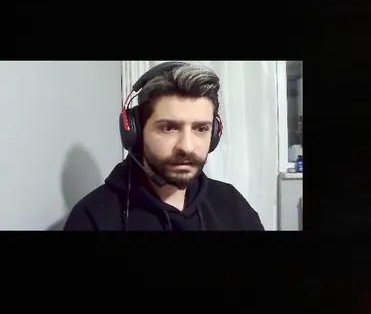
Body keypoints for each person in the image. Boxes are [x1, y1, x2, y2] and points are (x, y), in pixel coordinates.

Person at [63, 61, 264, 231]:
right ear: (137, 130)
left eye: (201, 128)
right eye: (169, 128)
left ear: (214, 133)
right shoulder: (92, 218)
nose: (187, 147)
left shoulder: (232, 206)